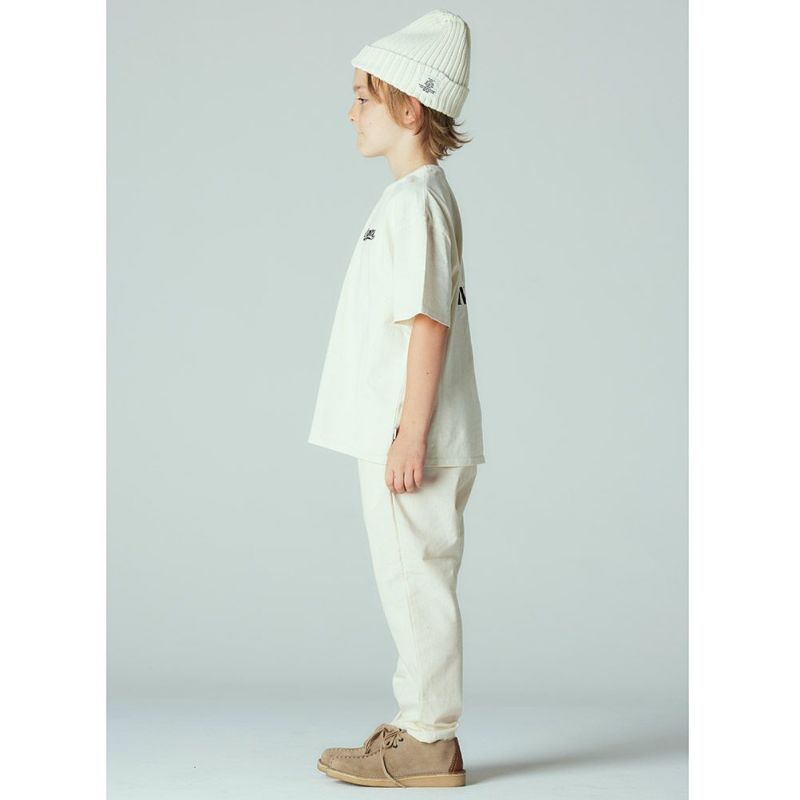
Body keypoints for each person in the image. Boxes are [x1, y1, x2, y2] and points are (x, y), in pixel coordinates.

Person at [307, 9, 485, 788]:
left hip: (408, 438)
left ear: (409, 108)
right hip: (405, 432)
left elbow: (427, 322)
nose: (350, 111)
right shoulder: (413, 199)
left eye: (362, 97)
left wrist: (409, 435)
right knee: (411, 580)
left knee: (415, 583)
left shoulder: (416, 203)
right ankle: (418, 726)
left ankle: (428, 740)